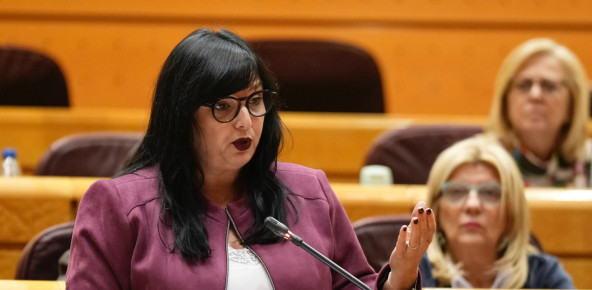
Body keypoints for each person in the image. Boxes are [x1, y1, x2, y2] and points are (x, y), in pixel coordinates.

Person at [66, 28, 436, 290]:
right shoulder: (119, 207)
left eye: (255, 102)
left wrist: (398, 280)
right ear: (181, 116)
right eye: (224, 106)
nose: (246, 122)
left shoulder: (310, 193)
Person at [418, 136, 574, 288]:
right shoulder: (414, 275)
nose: (473, 205)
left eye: (489, 193)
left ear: (512, 209)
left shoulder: (543, 276)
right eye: (457, 191)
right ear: (436, 209)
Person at [486, 38, 592, 188]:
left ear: (573, 103)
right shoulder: (483, 159)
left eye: (549, 86)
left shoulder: (589, 158)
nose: (535, 95)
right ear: (505, 100)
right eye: (524, 85)